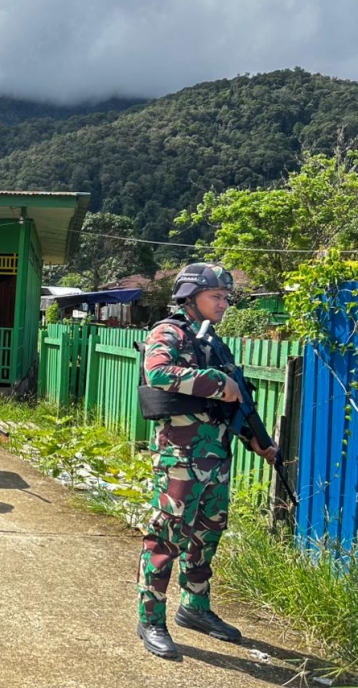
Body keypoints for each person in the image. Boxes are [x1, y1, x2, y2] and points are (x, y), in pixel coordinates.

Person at [135, 262, 279, 660]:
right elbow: (158, 373)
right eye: (216, 296)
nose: (223, 304)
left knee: (207, 534)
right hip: (180, 457)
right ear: (190, 296)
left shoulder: (212, 341)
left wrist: (258, 441)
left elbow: (232, 407)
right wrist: (219, 383)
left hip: (215, 457)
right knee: (167, 536)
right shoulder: (169, 332)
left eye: (226, 298)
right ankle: (150, 618)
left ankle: (195, 608)